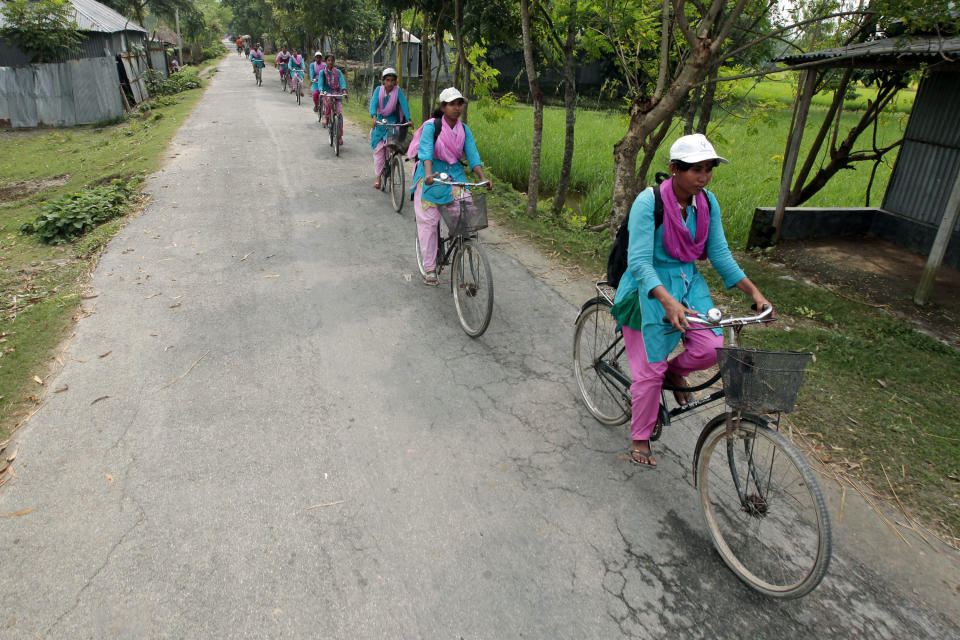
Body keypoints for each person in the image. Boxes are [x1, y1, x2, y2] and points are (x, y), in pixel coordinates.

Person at [608, 133, 772, 468]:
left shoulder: (708, 203)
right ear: (674, 169)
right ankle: (640, 437)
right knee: (649, 372)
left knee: (711, 349)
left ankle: (671, 374)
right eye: (696, 170)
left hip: (687, 283)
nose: (704, 177)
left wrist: (754, 293)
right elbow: (638, 262)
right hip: (648, 288)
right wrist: (666, 301)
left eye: (709, 169)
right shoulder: (647, 202)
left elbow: (720, 254)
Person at [409, 87, 491, 286]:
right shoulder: (432, 127)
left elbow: (472, 155)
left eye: (459, 103)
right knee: (428, 222)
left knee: (467, 210)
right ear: (443, 107)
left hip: (454, 174)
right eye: (452, 104)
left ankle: (459, 246)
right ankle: (429, 268)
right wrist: (428, 174)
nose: (457, 108)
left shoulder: (464, 129)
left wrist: (483, 177)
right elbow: (426, 151)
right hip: (432, 175)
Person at [369, 67, 411, 189]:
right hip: (380, 120)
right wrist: (374, 117)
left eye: (392, 80)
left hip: (393, 120)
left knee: (392, 147)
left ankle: (394, 164)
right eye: (387, 80)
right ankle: (379, 179)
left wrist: (408, 119)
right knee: (378, 151)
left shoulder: (398, 91)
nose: (390, 83)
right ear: (383, 81)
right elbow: (373, 104)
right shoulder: (378, 90)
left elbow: (404, 104)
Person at [319, 54, 347, 144]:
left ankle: (340, 137)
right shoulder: (322, 72)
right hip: (327, 92)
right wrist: (320, 91)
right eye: (328, 60)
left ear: (334, 62)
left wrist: (344, 90)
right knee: (328, 100)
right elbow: (320, 83)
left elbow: (342, 81)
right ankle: (327, 118)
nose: (330, 62)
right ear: (326, 62)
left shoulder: (338, 72)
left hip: (337, 93)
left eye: (332, 60)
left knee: (339, 115)